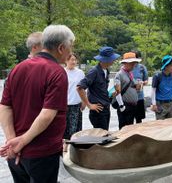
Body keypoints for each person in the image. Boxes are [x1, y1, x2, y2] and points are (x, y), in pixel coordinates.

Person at [0, 25, 75, 183]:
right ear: (61, 48)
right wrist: (20, 142)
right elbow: (47, 114)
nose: (71, 52)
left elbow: (5, 106)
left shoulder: (17, 68)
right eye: (71, 46)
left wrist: (12, 141)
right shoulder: (56, 72)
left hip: (15, 153)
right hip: (42, 153)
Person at [77, 47, 120, 130]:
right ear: (105, 60)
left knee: (105, 135)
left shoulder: (106, 71)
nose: (114, 61)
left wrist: (111, 94)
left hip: (105, 108)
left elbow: (100, 90)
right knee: (101, 138)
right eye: (112, 59)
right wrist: (89, 105)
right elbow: (79, 87)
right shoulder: (94, 72)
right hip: (98, 111)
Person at [114, 52, 141, 129]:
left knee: (130, 128)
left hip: (132, 106)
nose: (133, 65)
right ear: (125, 63)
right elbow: (117, 92)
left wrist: (138, 86)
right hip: (125, 106)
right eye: (131, 63)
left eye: (134, 63)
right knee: (124, 129)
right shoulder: (119, 74)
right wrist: (122, 106)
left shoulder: (130, 74)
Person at [150, 55, 172, 120]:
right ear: (165, 66)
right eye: (171, 65)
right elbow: (153, 90)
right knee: (161, 124)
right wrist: (154, 104)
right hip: (160, 104)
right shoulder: (157, 76)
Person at [64, 53, 85, 142]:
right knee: (64, 127)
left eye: (75, 60)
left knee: (75, 127)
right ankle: (65, 145)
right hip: (65, 104)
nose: (74, 62)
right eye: (71, 60)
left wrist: (84, 102)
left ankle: (73, 145)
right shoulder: (62, 72)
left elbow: (83, 88)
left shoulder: (80, 73)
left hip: (76, 104)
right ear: (66, 61)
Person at [131, 51, 148, 123]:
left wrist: (142, 83)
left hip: (139, 96)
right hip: (129, 96)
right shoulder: (127, 68)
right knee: (129, 118)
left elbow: (146, 81)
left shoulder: (142, 68)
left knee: (139, 119)